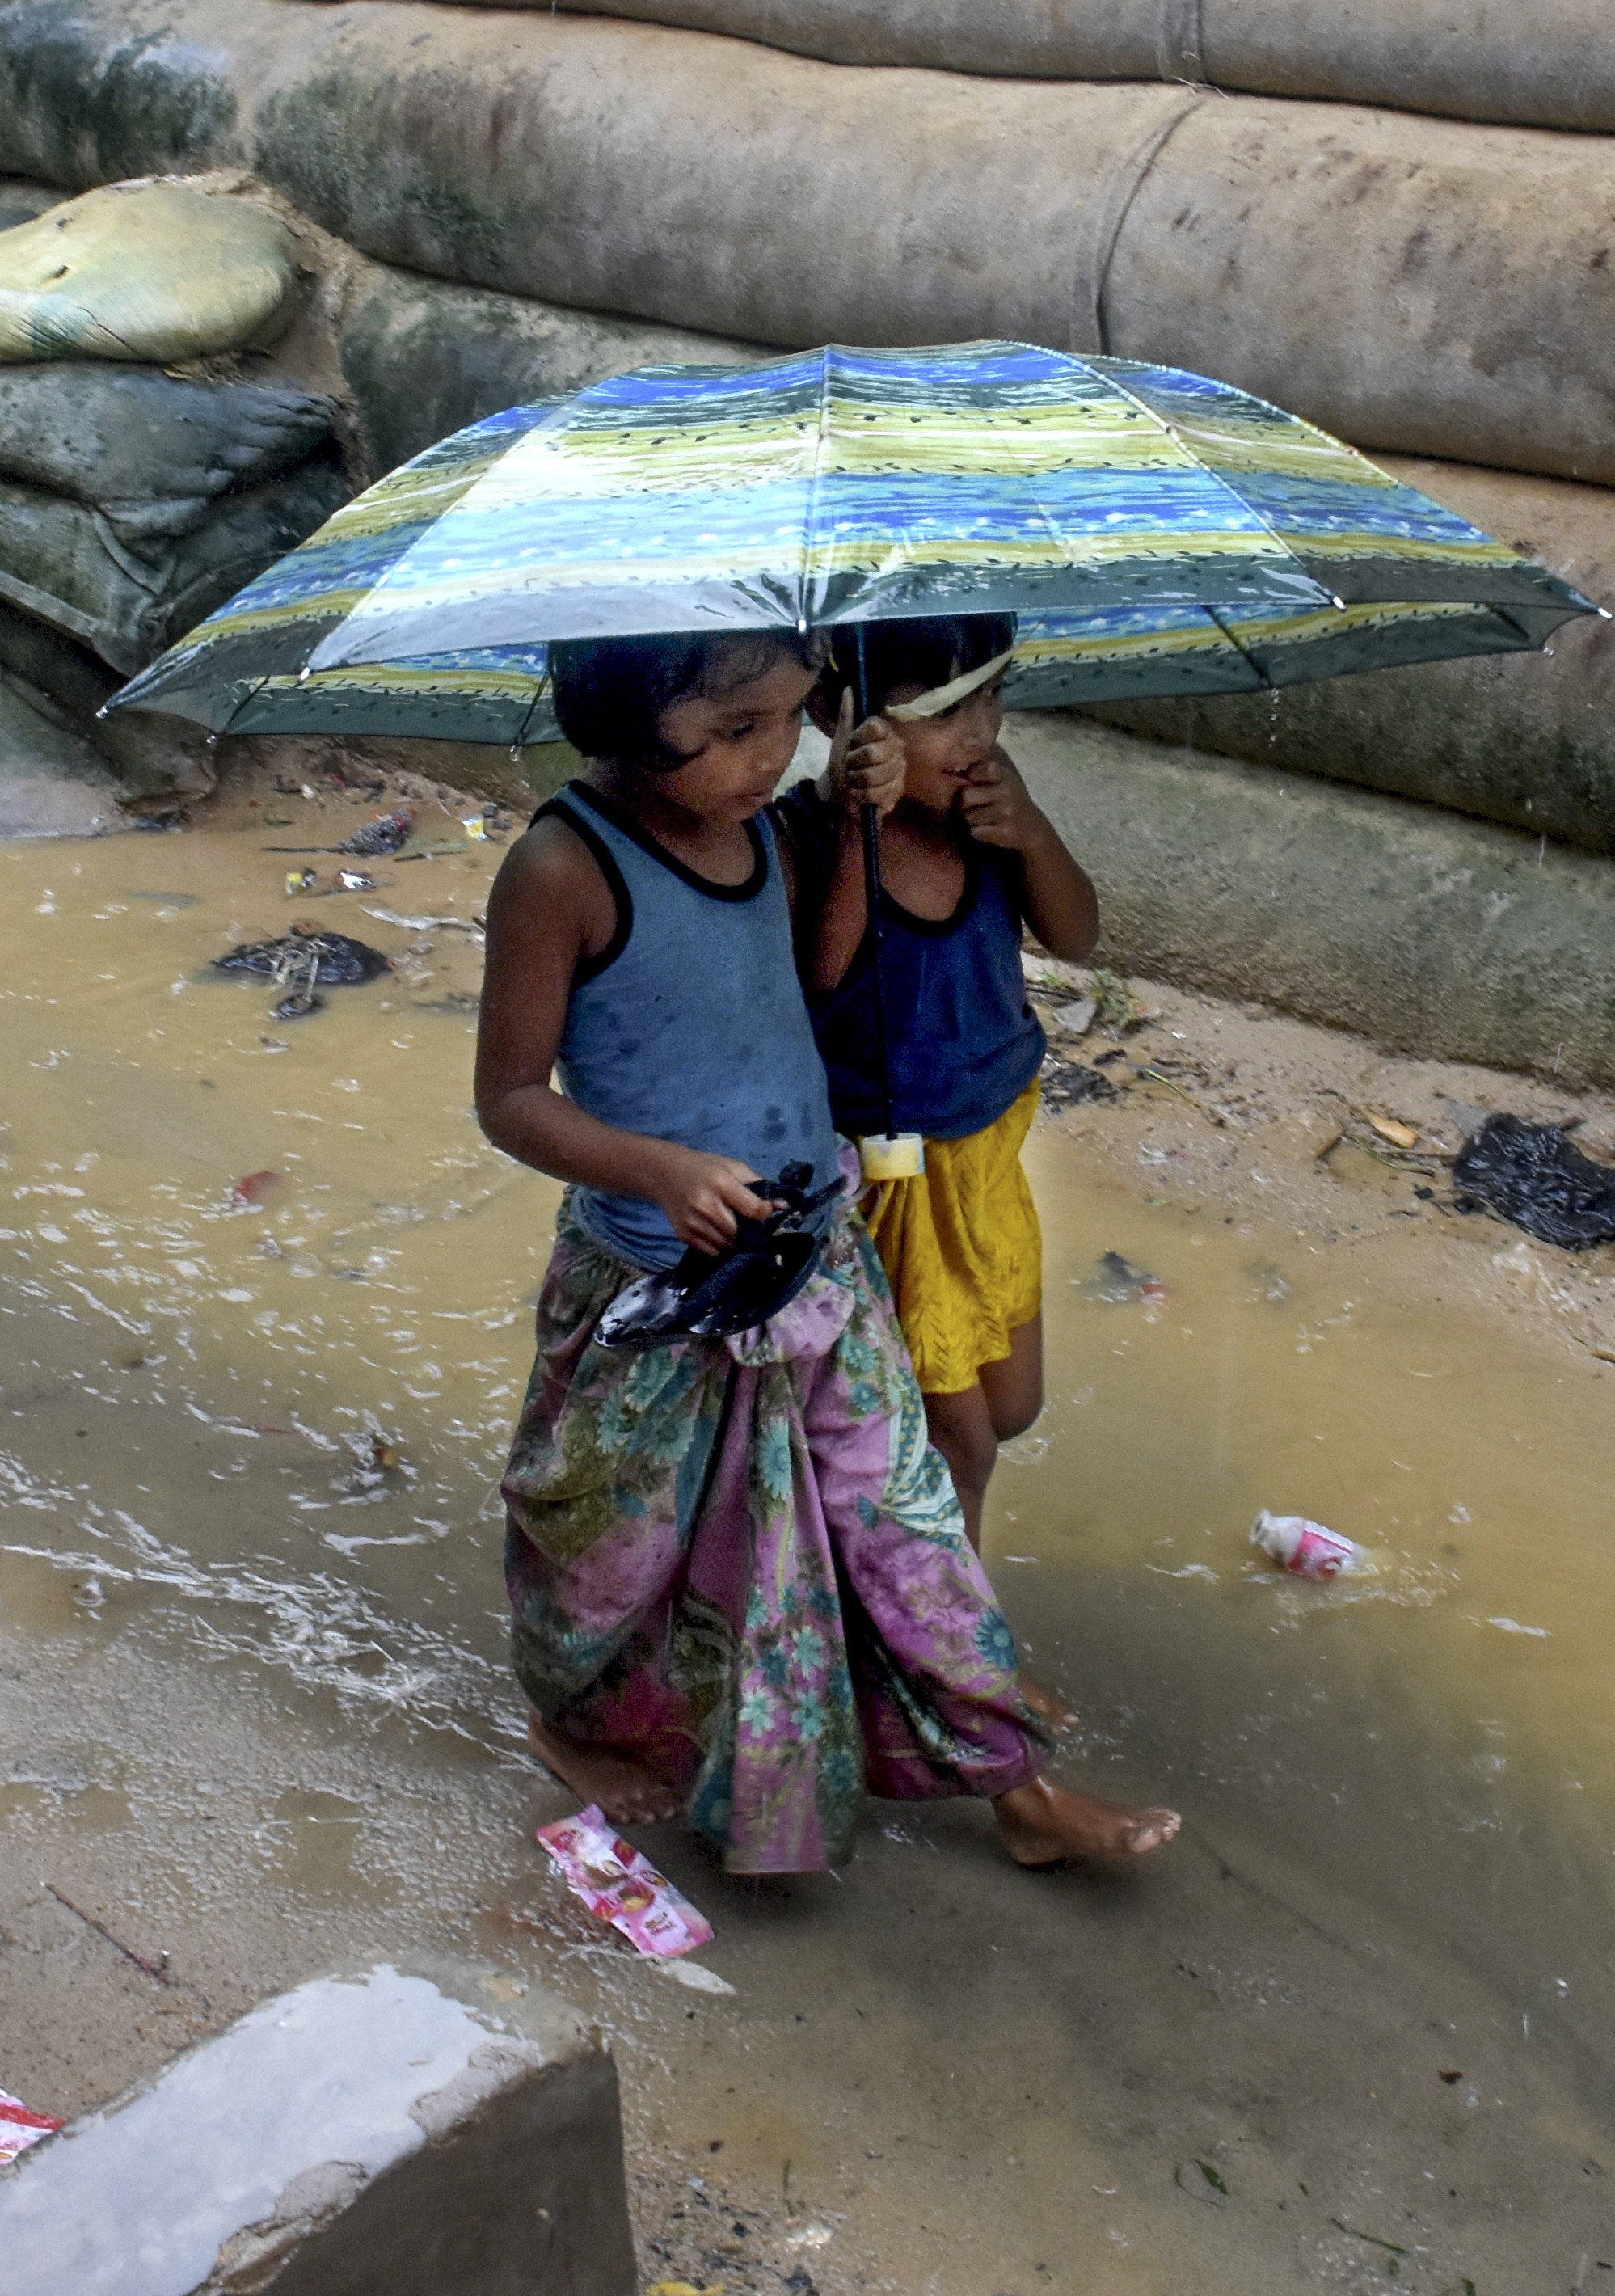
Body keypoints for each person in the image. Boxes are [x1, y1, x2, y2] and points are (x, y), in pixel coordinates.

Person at [474, 626, 1175, 1873]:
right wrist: (660, 1168)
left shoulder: (760, 828)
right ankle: (566, 1713)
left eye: (788, 719)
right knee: (606, 1542)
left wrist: (853, 831)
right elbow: (510, 1099)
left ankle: (1014, 1783)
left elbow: (816, 972)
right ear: (626, 728)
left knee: (904, 1514)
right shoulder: (560, 868)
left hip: (817, 1251)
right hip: (651, 1277)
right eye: (731, 732)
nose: (769, 756)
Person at [781, 615, 1094, 1549]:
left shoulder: (989, 813)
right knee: (961, 1443)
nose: (979, 733)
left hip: (989, 1151)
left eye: (992, 696)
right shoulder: (808, 831)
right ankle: (953, 1656)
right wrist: (852, 821)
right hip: (892, 1175)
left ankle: (859, 1544)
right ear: (844, 717)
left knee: (1011, 1405)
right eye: (945, 709)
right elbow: (821, 977)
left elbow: (1077, 937)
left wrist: (1033, 834)